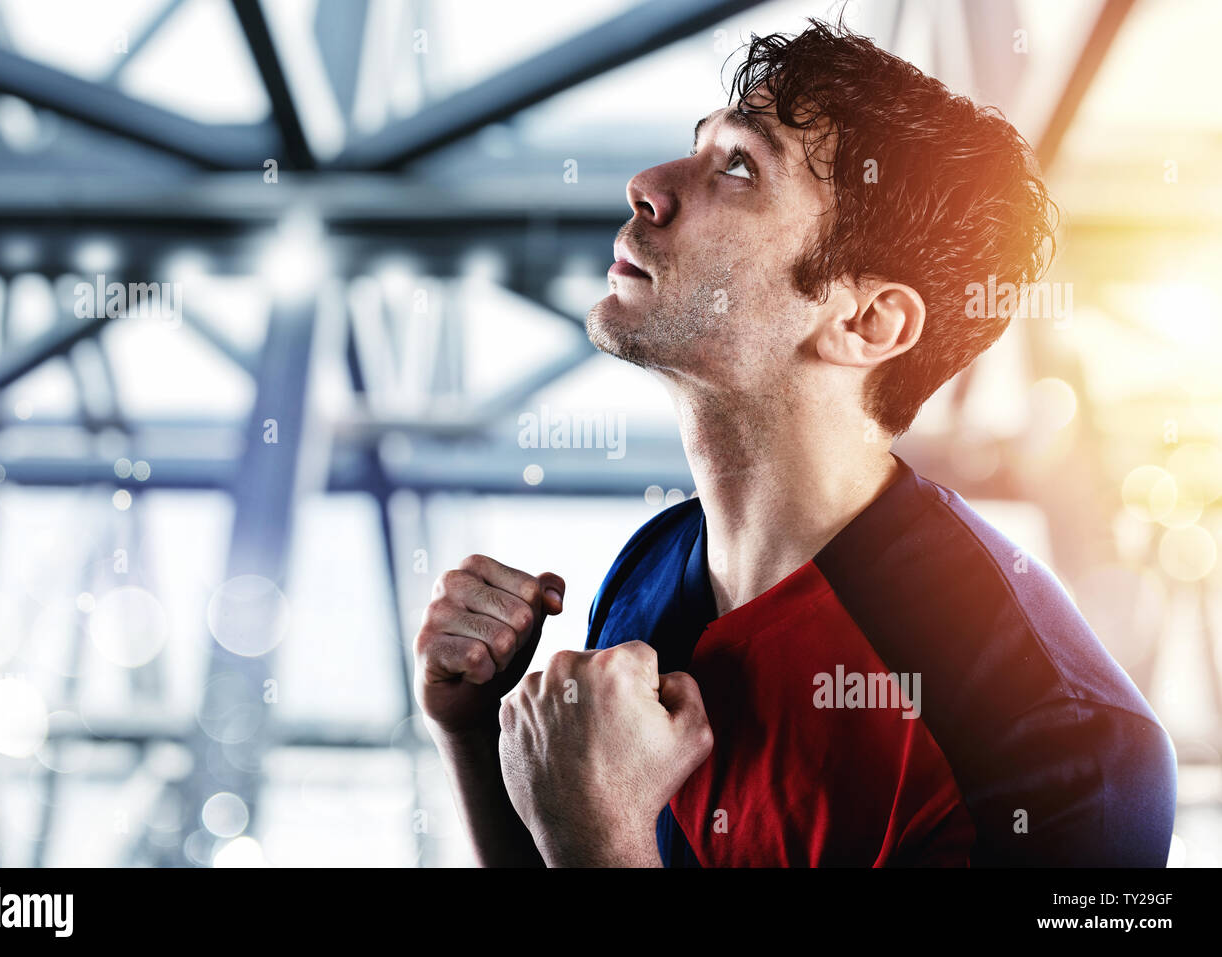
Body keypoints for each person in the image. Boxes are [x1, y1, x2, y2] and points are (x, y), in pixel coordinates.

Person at [413, 19, 1176, 867]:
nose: (646, 185)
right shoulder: (652, 566)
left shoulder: (1061, 752)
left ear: (865, 320)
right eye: (698, 148)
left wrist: (601, 841)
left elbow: (593, 842)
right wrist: (473, 738)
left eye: (739, 167)